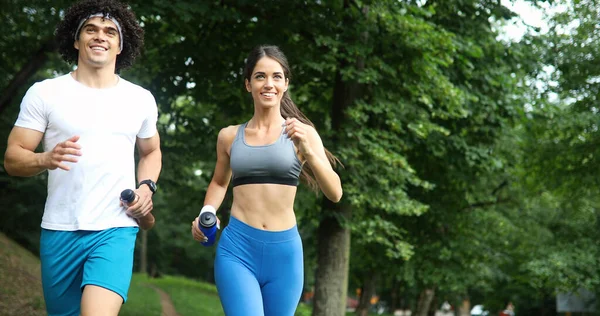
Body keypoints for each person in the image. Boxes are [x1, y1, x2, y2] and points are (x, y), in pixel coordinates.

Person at [3, 0, 161, 315]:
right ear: (76, 41)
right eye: (91, 29)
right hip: (59, 229)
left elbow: (151, 151)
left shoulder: (140, 99)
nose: (100, 35)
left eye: (109, 31)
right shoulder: (45, 93)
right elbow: (12, 159)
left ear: (120, 45)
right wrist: (45, 159)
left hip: (115, 227)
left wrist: (146, 186)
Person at [191, 45, 343, 316]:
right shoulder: (229, 136)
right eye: (260, 76)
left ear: (286, 83)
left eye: (276, 76)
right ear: (248, 84)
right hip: (237, 249)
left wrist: (308, 152)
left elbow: (335, 192)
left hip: (285, 255)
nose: (268, 84)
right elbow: (218, 183)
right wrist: (207, 213)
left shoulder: (304, 133)